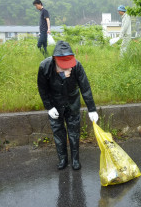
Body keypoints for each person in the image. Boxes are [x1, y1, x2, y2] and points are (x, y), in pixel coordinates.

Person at [37, 41, 99, 170]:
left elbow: (85, 87)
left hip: (72, 102)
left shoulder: (77, 66)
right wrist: (49, 107)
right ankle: (63, 159)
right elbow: (43, 89)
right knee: (58, 132)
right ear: (55, 59)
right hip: (55, 104)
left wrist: (92, 109)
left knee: (74, 132)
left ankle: (75, 159)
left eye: (69, 65)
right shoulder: (45, 67)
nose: (68, 68)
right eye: (64, 66)